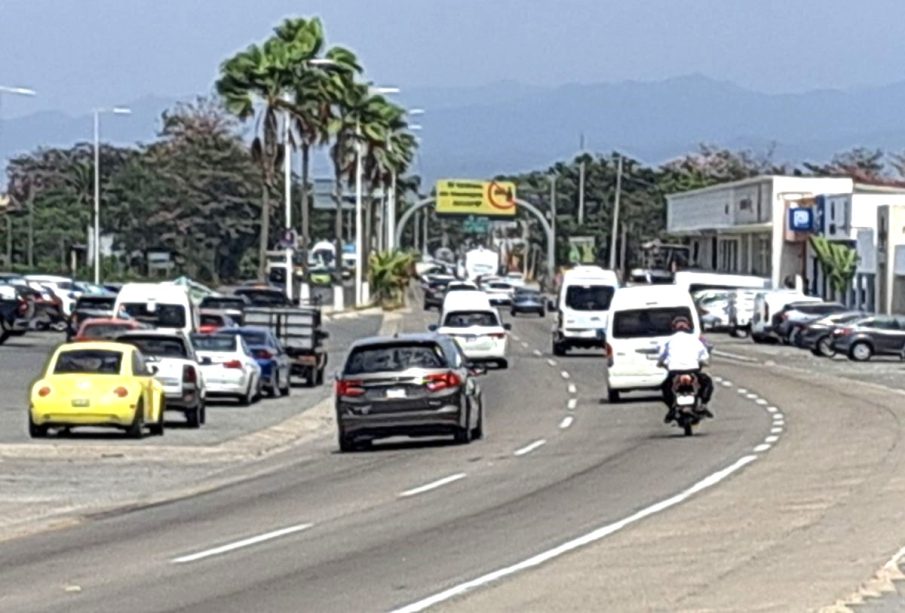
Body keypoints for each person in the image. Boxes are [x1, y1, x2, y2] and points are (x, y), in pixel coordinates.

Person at [657, 316, 714, 423]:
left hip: (675, 371)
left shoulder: (667, 340)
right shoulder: (695, 340)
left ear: (673, 328)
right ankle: (703, 405)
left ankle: (671, 408)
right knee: (707, 382)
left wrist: (661, 363)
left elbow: (661, 356)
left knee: (665, 387)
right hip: (693, 370)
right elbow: (704, 357)